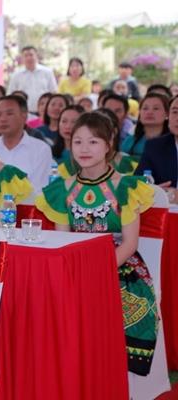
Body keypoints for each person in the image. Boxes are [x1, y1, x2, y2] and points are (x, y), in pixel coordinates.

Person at [35, 112, 157, 376]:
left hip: (119, 266)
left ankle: (114, 371)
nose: (84, 149)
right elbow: (63, 241)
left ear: (108, 144)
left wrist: (97, 270)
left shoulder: (126, 187)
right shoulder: (62, 189)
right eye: (78, 142)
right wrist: (75, 271)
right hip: (75, 265)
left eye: (93, 142)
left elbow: (130, 243)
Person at [0, 95, 54, 191]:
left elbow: (38, 189)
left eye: (9, 113)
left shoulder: (40, 149)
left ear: (24, 116)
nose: (2, 119)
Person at [135, 95, 178, 202]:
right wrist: (155, 192)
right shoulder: (155, 146)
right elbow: (137, 185)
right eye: (175, 112)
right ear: (168, 116)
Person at [8, 46, 58, 113]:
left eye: (31, 55)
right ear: (22, 58)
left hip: (44, 112)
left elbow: (53, 92)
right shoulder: (16, 75)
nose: (29, 58)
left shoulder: (47, 72)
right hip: (24, 112)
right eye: (26, 56)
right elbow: (11, 94)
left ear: (36, 56)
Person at [121, 93, 169, 159]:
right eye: (145, 108)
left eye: (156, 108)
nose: (149, 112)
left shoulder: (173, 142)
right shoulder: (129, 141)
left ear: (167, 114)